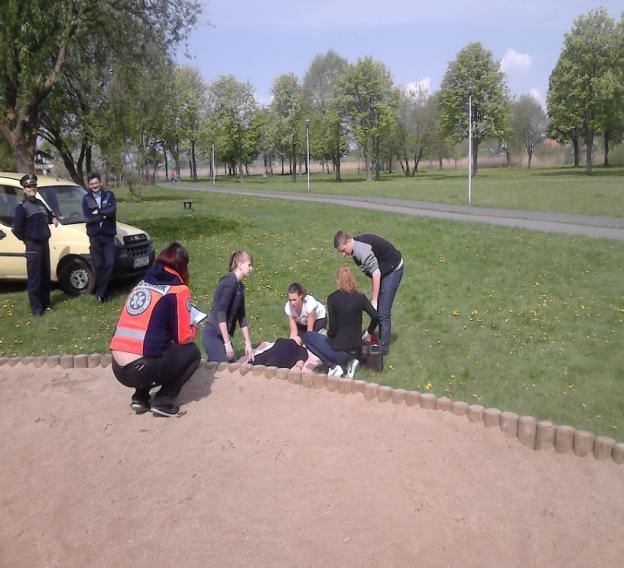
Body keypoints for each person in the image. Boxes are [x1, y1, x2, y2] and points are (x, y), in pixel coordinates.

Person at [109, 242, 201, 417]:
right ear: (182, 266)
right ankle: (163, 401)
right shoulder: (178, 290)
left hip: (117, 367)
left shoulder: (141, 284)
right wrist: (194, 327)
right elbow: (183, 337)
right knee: (192, 354)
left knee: (153, 344)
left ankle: (140, 397)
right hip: (140, 369)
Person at [333, 230, 403, 355]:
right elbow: (373, 273)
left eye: (343, 250)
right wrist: (373, 298)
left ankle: (383, 349)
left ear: (349, 241)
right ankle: (373, 336)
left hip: (393, 269)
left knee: (383, 312)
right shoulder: (354, 250)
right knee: (378, 308)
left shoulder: (361, 251)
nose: (343, 255)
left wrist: (374, 300)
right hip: (383, 270)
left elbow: (376, 274)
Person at [303, 265, 379, 378]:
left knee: (307, 336)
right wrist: (369, 331)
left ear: (337, 280)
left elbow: (333, 329)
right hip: (356, 349)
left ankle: (333, 366)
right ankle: (350, 363)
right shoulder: (360, 296)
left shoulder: (333, 298)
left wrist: (326, 335)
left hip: (339, 351)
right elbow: (376, 316)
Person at [12, 174, 58, 316]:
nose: (32, 188)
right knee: (35, 278)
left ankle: (45, 303)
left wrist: (54, 218)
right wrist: (27, 240)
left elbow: (49, 215)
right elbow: (16, 229)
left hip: (44, 243)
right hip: (33, 246)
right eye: (29, 187)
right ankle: (36, 309)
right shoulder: (22, 207)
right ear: (24, 189)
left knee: (45, 275)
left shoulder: (39, 203)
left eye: (33, 186)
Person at [202, 250, 254, 362]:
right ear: (240, 265)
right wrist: (227, 343)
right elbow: (221, 313)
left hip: (222, 335)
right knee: (225, 366)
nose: (251, 269)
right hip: (213, 333)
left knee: (231, 366)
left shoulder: (240, 287)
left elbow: (242, 317)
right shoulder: (229, 283)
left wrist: (248, 343)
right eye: (249, 265)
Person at [82, 172, 117, 302]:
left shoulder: (109, 195)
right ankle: (105, 293)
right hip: (95, 237)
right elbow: (88, 218)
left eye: (96, 183)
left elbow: (112, 211)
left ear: (100, 183)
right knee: (98, 265)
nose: (94, 185)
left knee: (110, 263)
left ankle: (100, 292)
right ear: (89, 186)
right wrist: (104, 215)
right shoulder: (86, 199)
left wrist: (99, 212)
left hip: (108, 237)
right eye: (92, 184)